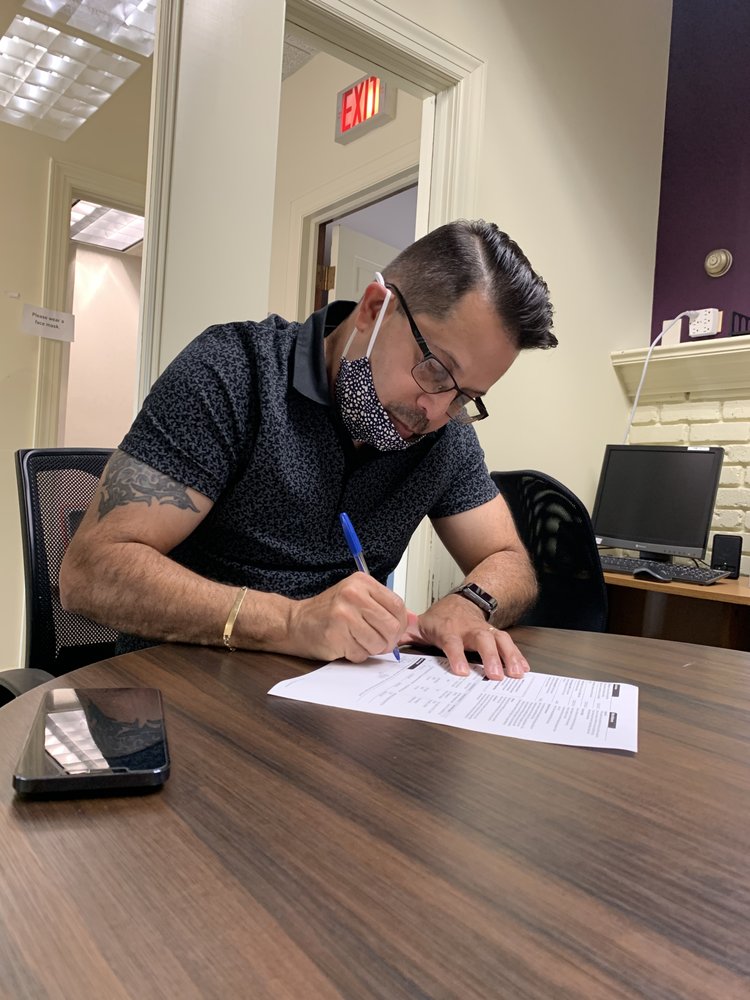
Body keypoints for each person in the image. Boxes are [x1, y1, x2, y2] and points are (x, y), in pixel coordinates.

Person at [60, 219, 557, 680]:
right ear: (374, 309)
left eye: (465, 397)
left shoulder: (444, 436)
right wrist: (290, 621)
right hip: (182, 690)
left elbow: (508, 559)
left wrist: (470, 603)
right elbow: (91, 571)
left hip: (337, 704)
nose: (435, 410)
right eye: (435, 370)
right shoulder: (233, 373)